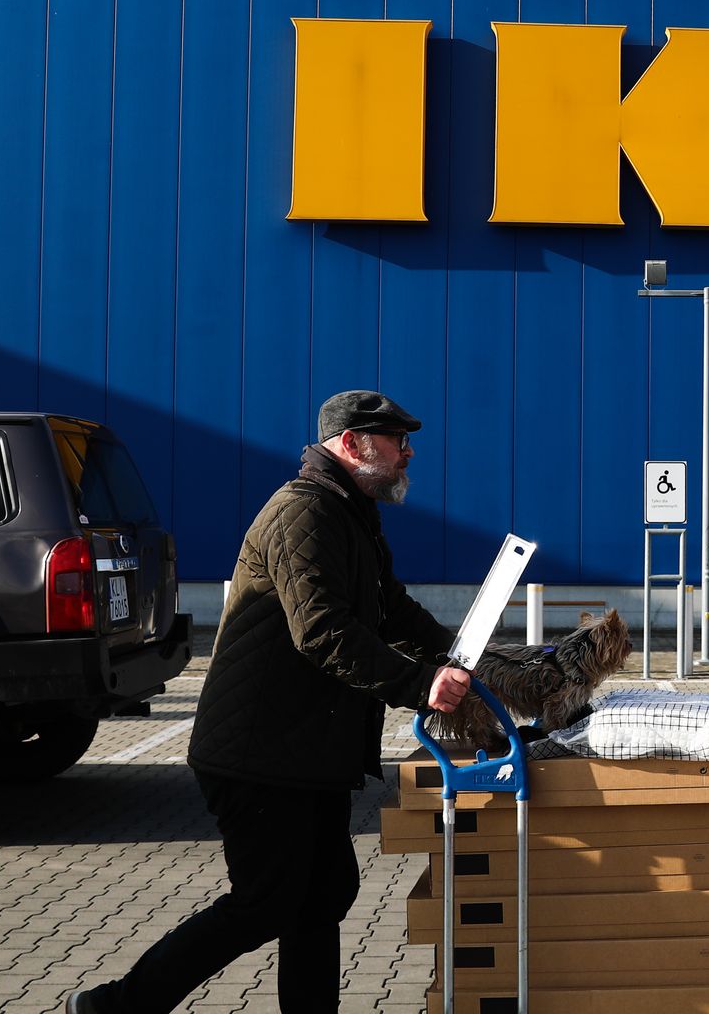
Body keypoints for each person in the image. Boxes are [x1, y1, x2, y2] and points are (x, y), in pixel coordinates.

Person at [69, 390, 472, 1014]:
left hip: (304, 752)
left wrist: (462, 653)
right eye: (395, 441)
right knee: (270, 899)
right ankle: (115, 1005)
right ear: (350, 445)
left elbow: (391, 608)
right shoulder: (303, 512)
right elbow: (322, 630)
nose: (408, 453)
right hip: (258, 752)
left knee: (323, 894)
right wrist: (421, 686)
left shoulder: (352, 514)